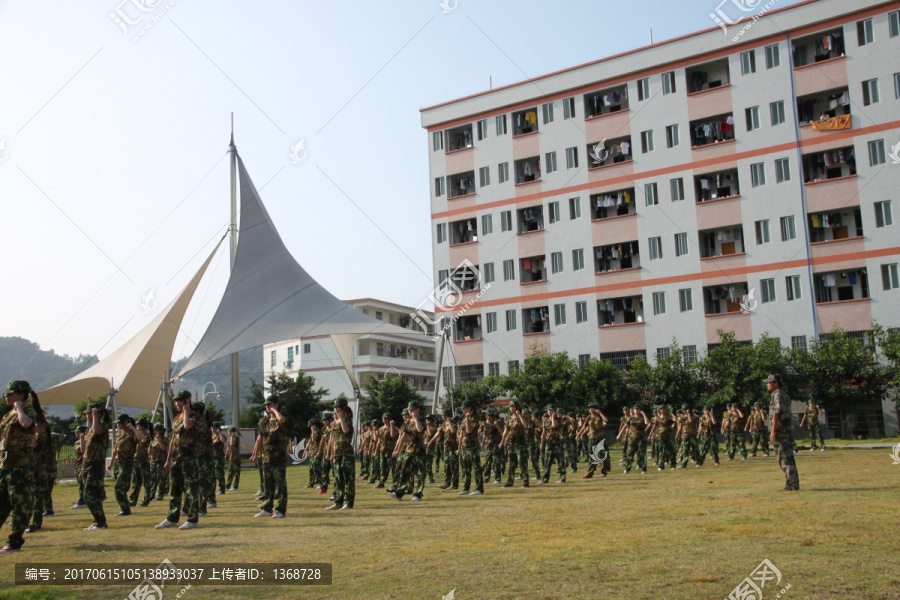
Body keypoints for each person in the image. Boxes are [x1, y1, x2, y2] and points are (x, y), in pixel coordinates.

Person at [0, 381, 45, 552]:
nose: (6, 396)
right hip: (6, 465)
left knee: (20, 504)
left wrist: (18, 407)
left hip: (20, 466)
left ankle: (14, 542)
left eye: (10, 393)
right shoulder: (8, 415)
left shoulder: (26, 411)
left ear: (20, 395)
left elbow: (26, 424)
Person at [155, 390, 201, 530]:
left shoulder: (194, 416)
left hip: (190, 458)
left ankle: (192, 520)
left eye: (180, 401)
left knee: (191, 490)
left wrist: (186, 411)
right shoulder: (176, 419)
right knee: (174, 490)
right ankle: (172, 517)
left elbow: (187, 426)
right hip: (177, 458)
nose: (177, 403)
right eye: (175, 401)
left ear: (188, 401)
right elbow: (173, 440)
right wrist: (168, 459)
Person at [251, 395, 288, 518]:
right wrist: (255, 454)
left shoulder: (279, 419)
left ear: (276, 404)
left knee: (280, 485)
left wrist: (274, 411)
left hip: (278, 457)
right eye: (266, 405)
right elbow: (260, 439)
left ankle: (281, 510)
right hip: (266, 457)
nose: (267, 407)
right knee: (268, 485)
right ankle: (266, 508)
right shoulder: (265, 422)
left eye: (270, 404)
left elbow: (282, 419)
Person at [767, 374, 799, 491]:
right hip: (785, 430)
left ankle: (792, 484)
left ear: (776, 383)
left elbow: (777, 413)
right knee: (788, 457)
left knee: (784, 458)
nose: (767, 384)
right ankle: (792, 483)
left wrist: (773, 431)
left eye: (770, 382)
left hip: (781, 431)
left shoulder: (778, 394)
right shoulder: (782, 394)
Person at [390, 400, 427, 502]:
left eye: (412, 410)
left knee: (420, 474)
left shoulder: (422, 420)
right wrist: (398, 450)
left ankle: (418, 494)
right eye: (409, 410)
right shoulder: (407, 422)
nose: (410, 412)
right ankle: (399, 492)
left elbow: (420, 430)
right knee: (404, 473)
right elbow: (403, 437)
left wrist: (415, 419)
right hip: (408, 451)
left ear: (417, 410)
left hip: (419, 452)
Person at [82, 401, 110, 531]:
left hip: (96, 465)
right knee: (94, 495)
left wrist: (96, 418)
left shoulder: (102, 426)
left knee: (88, 494)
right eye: (87, 413)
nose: (88, 415)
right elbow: (85, 450)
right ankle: (99, 521)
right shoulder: (89, 429)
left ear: (98, 413)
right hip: (88, 465)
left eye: (90, 412)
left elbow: (97, 431)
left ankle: (100, 522)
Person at [25, 416, 53, 533]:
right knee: (31, 497)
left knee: (37, 498)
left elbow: (33, 445)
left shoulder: (41, 434)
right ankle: (25, 521)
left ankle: (36, 524)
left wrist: (34, 433)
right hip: (33, 468)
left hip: (38, 469)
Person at [326, 398, 355, 510]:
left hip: (346, 453)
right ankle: (338, 502)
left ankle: (348, 503)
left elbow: (346, 431)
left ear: (343, 408)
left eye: (338, 407)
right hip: (337, 453)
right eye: (335, 407)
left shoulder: (347, 420)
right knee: (337, 479)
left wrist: (341, 419)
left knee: (348, 479)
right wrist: (330, 453)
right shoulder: (333, 424)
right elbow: (332, 439)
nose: (336, 409)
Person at [498, 400, 529, 487]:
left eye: (513, 406)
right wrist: (501, 442)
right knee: (511, 464)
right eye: (510, 407)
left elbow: (525, 424)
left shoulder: (522, 417)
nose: (511, 408)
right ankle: (509, 481)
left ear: (517, 407)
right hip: (512, 444)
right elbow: (505, 432)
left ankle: (526, 481)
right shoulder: (509, 419)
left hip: (520, 444)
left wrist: (519, 415)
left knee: (521, 463)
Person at [458, 400, 485, 495]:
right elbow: (461, 434)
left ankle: (479, 488)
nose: (462, 409)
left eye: (464, 408)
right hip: (465, 448)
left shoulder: (474, 418)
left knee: (476, 468)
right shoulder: (464, 419)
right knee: (466, 470)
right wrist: (459, 447)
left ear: (469, 408)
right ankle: (466, 488)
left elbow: (469, 431)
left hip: (473, 447)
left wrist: (468, 419)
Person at [429, 409, 458, 490]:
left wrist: (449, 422)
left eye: (443, 415)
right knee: (447, 466)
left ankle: (454, 484)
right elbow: (438, 433)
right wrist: (431, 441)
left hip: (453, 448)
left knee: (454, 466)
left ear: (447, 415)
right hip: (446, 448)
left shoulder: (453, 423)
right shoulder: (443, 424)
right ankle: (447, 483)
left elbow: (453, 431)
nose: (442, 417)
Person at [579, 404, 610, 478]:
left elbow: (606, 420)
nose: (590, 410)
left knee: (602, 455)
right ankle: (590, 472)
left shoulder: (600, 416)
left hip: (600, 439)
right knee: (591, 455)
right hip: (592, 438)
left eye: (591, 408)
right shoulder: (589, 417)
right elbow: (585, 426)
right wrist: (580, 434)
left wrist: (600, 413)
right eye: (589, 409)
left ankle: (603, 472)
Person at [540, 405, 568, 484]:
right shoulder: (545, 421)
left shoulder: (559, 419)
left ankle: (562, 478)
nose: (549, 412)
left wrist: (553, 417)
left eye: (551, 410)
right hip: (549, 443)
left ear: (555, 411)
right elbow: (544, 433)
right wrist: (542, 444)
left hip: (558, 443)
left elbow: (554, 425)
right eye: (548, 410)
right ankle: (545, 479)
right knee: (547, 462)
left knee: (560, 461)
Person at [128, 418, 152, 508]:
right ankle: (132, 500)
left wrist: (133, 428)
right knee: (135, 482)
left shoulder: (147, 435)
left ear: (142, 426)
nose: (136, 427)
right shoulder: (137, 434)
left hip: (143, 460)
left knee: (146, 481)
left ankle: (146, 500)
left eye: (138, 425)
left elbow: (142, 438)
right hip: (136, 460)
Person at [647, 405, 675, 471]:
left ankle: (673, 465)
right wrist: (650, 435)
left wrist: (672, 414)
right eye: (661, 409)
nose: (662, 410)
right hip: (661, 436)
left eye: (664, 409)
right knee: (661, 452)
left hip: (669, 436)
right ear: (659, 410)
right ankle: (661, 466)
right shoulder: (657, 418)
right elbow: (654, 427)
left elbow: (675, 420)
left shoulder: (668, 417)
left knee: (671, 451)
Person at [622, 406, 649, 475]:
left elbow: (647, 423)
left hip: (641, 438)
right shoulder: (631, 418)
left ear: (640, 410)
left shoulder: (642, 418)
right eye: (635, 409)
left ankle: (643, 469)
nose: (636, 410)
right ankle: (627, 468)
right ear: (633, 410)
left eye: (638, 409)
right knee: (630, 453)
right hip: (632, 438)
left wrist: (643, 414)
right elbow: (625, 426)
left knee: (641, 454)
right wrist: (620, 434)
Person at [374, 413, 397, 490]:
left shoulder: (394, 428)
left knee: (393, 467)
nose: (384, 419)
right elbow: (379, 440)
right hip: (382, 450)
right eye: (383, 418)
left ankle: (395, 482)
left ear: (390, 419)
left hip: (390, 450)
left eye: (386, 418)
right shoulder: (381, 429)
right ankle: (381, 482)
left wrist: (392, 426)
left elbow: (392, 435)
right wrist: (376, 450)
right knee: (382, 467)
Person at [482, 409, 503, 484]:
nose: (488, 417)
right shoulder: (484, 424)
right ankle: (486, 478)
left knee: (496, 462)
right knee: (487, 462)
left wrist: (497, 426)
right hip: (488, 446)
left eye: (489, 415)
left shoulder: (497, 423)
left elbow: (502, 432)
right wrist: (483, 442)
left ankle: (497, 479)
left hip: (495, 445)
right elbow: (483, 433)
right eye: (487, 415)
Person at [148, 424, 169, 501]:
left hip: (161, 461)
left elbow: (163, 448)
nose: (155, 432)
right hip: (154, 461)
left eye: (157, 430)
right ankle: (151, 494)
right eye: (155, 430)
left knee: (161, 479)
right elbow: (149, 451)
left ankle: (160, 495)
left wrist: (159, 440)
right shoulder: (153, 440)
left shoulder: (164, 439)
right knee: (153, 479)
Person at [71, 425, 88, 509]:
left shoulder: (85, 441)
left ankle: (82, 501)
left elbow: (83, 450)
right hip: (77, 465)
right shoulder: (77, 442)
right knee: (80, 484)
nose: (76, 433)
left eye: (78, 432)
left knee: (82, 485)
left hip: (82, 464)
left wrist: (82, 439)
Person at [210, 423, 227, 496]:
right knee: (212, 475)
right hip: (212, 457)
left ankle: (222, 489)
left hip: (219, 458)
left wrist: (219, 432)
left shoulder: (221, 436)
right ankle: (212, 490)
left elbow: (223, 441)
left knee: (219, 474)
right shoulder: (212, 436)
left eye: (214, 428)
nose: (213, 430)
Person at [225, 427, 242, 491]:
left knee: (236, 473)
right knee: (230, 472)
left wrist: (232, 436)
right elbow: (228, 447)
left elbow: (232, 444)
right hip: (231, 458)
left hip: (236, 458)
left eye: (229, 432)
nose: (228, 433)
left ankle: (235, 486)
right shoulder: (229, 439)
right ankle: (227, 486)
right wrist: (226, 454)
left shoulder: (235, 438)